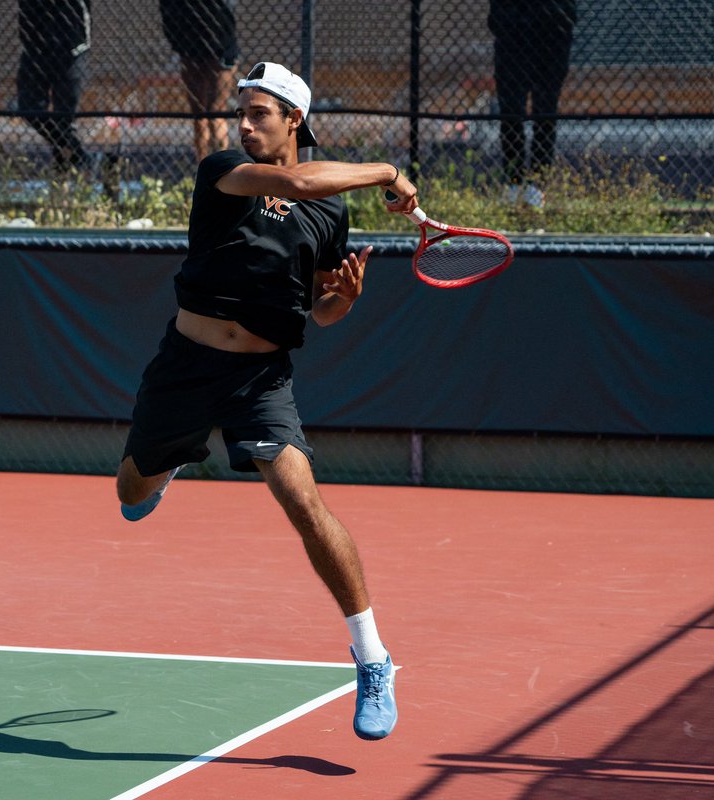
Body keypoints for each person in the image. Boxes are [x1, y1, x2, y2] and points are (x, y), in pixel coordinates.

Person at [115, 61, 417, 741]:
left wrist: (344, 299)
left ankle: (372, 658)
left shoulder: (329, 212)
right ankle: (172, 462)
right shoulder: (224, 169)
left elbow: (319, 308)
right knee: (131, 496)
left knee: (303, 500)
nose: (244, 125)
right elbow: (298, 181)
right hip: (185, 369)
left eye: (260, 115)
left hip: (259, 382)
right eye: (241, 113)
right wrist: (388, 171)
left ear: (294, 122)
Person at [489, 0, 577, 208]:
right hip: (513, 42)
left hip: (551, 41)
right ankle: (514, 182)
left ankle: (538, 185)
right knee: (511, 112)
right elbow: (497, 16)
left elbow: (568, 13)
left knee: (545, 113)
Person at [158, 0, 238, 162]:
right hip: (194, 49)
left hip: (216, 48)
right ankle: (206, 168)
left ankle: (219, 168)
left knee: (214, 112)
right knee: (203, 113)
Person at [16, 0, 90, 174]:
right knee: (29, 109)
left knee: (64, 119)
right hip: (35, 47)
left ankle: (66, 174)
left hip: (70, 46)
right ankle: (77, 154)